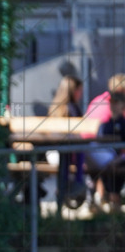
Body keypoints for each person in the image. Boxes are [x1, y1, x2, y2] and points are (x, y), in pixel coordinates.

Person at [84, 74, 125, 206]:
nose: (113, 105)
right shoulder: (107, 111)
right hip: (102, 153)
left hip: (102, 154)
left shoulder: (100, 101)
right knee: (109, 165)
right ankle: (106, 198)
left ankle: (102, 197)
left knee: (111, 165)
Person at [47, 75, 87, 204]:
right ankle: (75, 184)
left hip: (59, 152)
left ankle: (66, 189)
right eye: (79, 91)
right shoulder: (68, 109)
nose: (81, 94)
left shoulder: (57, 107)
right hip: (57, 153)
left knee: (75, 150)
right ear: (73, 91)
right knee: (78, 150)